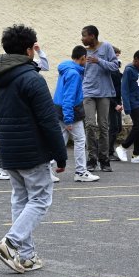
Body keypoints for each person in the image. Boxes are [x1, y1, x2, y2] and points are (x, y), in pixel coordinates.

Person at [0, 24, 68, 273]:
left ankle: (27, 256)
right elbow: (48, 121)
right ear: (28, 50)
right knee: (41, 199)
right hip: (32, 151)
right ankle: (10, 243)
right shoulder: (32, 79)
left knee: (21, 199)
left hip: (9, 150)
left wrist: (4, 148)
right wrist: (61, 154)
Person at [0, 44, 54, 181]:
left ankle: (4, 167)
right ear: (27, 50)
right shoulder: (10, 69)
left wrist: (39, 51)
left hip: (20, 106)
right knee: (7, 134)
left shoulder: (31, 66)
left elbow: (46, 66)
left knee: (8, 135)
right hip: (11, 104)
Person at [80, 24, 120, 173]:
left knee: (103, 126)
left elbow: (115, 67)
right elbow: (81, 70)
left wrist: (99, 61)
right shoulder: (83, 51)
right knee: (90, 125)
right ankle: (92, 158)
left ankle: (104, 159)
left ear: (92, 36)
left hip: (104, 93)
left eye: (84, 35)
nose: (82, 38)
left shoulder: (107, 47)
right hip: (88, 92)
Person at [55, 45, 99, 182]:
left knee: (59, 142)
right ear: (83, 58)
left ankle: (45, 171)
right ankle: (80, 172)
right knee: (80, 140)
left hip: (59, 108)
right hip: (71, 111)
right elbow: (69, 98)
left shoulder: (66, 68)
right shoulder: (74, 74)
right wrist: (68, 119)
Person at [116, 50, 139, 163]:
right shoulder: (129, 70)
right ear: (135, 59)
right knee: (138, 126)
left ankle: (137, 154)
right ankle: (123, 147)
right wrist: (127, 106)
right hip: (133, 102)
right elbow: (124, 89)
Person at [108, 46, 125, 155]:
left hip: (117, 101)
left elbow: (121, 79)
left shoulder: (115, 69)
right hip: (111, 102)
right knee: (113, 128)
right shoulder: (109, 70)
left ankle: (107, 150)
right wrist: (115, 104)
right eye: (116, 55)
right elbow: (107, 88)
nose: (118, 58)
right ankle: (108, 152)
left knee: (118, 128)